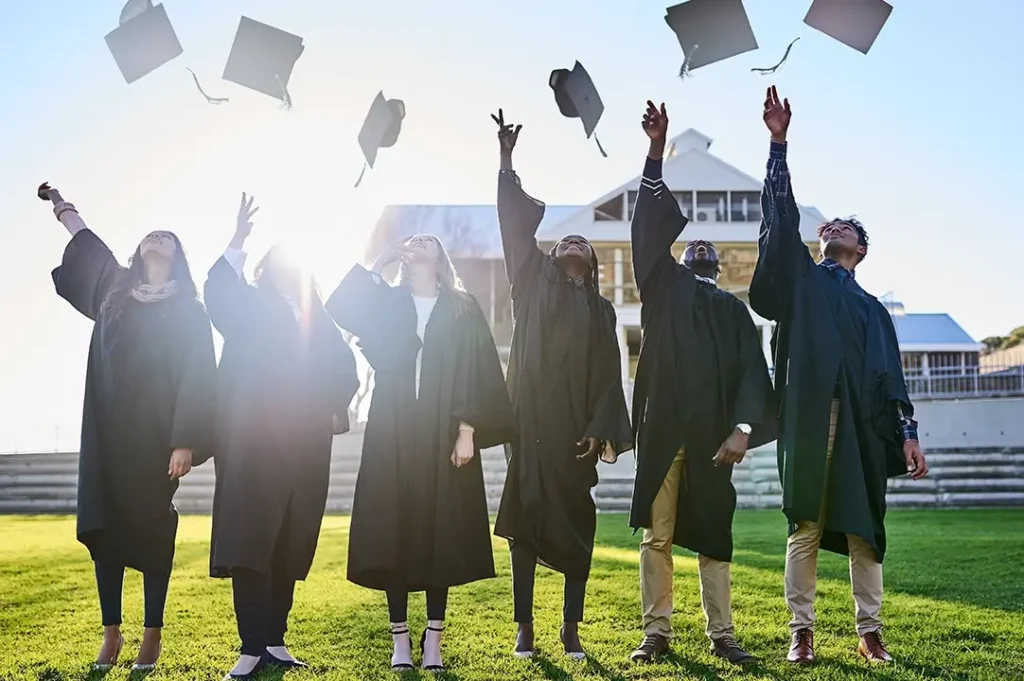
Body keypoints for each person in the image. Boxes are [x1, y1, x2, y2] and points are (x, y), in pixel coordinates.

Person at [749, 86, 929, 665]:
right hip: (806, 417)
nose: (836, 227)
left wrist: (908, 432)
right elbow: (779, 215)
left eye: (849, 226)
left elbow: (892, 377)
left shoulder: (873, 311)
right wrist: (779, 144)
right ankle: (801, 631)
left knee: (862, 529)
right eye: (832, 225)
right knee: (804, 523)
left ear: (861, 248)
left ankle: (869, 631)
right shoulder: (802, 283)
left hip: (858, 424)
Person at [40, 182, 216, 672]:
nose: (156, 238)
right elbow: (88, 243)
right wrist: (62, 207)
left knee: (154, 528)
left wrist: (185, 440)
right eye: (150, 234)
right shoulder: (115, 290)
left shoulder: (189, 310)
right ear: (139, 250)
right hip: (107, 433)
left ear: (178, 254)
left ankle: (152, 633)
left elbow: (199, 372)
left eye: (167, 236)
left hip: (157, 437)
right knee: (106, 526)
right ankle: (112, 633)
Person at [626, 103, 777, 666]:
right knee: (656, 537)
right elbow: (645, 231)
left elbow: (750, 374)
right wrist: (655, 153)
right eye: (694, 248)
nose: (702, 250)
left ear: (718, 269)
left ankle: (722, 635)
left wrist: (742, 428)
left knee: (715, 537)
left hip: (715, 436)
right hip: (664, 429)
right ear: (681, 260)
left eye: (708, 253)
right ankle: (657, 633)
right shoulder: (663, 291)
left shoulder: (734, 313)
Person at [326, 235, 516, 673]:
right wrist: (380, 260)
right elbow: (343, 308)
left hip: (444, 427)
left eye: (427, 241)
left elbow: (479, 367)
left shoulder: (462, 306)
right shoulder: (389, 301)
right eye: (412, 241)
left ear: (441, 256)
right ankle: (400, 639)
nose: (418, 243)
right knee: (394, 526)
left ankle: (433, 639)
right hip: (392, 424)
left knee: (439, 529)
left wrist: (467, 430)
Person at [490, 110, 634, 660]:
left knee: (578, 532)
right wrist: (506, 163)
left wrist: (601, 430)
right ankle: (525, 624)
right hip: (530, 430)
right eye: (566, 240)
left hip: (575, 435)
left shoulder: (601, 312)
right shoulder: (529, 285)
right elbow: (511, 226)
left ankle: (570, 626)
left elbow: (608, 376)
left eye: (584, 243)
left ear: (592, 262)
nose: (574, 243)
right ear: (553, 257)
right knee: (525, 527)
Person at [205, 193, 359, 680]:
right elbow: (219, 296)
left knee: (291, 539)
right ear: (264, 270)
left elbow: (343, 367)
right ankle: (250, 645)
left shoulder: (320, 318)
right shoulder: (249, 305)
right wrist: (238, 240)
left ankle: (275, 637)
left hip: (306, 441)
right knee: (252, 537)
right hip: (253, 438)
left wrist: (335, 406)